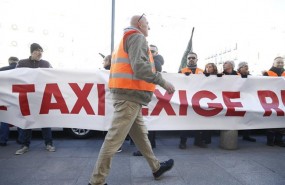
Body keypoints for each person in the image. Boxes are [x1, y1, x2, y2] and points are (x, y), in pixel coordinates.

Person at [88, 14, 175, 185]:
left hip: (129, 96)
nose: (149, 28)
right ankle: (97, 181)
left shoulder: (125, 39)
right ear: (139, 24)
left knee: (141, 136)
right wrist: (163, 82)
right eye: (148, 24)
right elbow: (140, 68)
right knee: (113, 140)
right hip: (129, 97)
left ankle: (156, 168)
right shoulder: (137, 37)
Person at [15, 43, 56, 155]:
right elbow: (15, 77)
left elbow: (54, 76)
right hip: (27, 98)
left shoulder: (46, 63)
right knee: (27, 122)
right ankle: (25, 145)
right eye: (37, 51)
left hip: (42, 97)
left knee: (45, 121)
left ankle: (49, 143)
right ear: (31, 52)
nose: (40, 53)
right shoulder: (22, 63)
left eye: (41, 51)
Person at [132, 44, 164, 156]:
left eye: (153, 51)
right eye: (149, 50)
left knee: (147, 121)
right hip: (145, 94)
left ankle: (146, 147)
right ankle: (147, 146)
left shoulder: (156, 62)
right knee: (145, 121)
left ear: (157, 53)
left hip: (150, 94)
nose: (150, 52)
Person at [178, 52, 206, 149]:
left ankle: (198, 141)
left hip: (199, 100)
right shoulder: (181, 71)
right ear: (187, 60)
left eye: (193, 58)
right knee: (185, 122)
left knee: (199, 122)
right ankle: (182, 142)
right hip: (186, 100)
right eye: (189, 58)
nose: (191, 59)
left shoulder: (202, 71)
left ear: (197, 59)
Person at [0, 57, 24, 146]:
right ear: (17, 62)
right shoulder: (21, 71)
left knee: (5, 120)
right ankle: (21, 139)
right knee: (20, 118)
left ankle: (3, 140)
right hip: (18, 97)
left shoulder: (2, 70)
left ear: (9, 61)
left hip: (5, 98)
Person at [263, 56, 285, 147]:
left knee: (282, 120)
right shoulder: (267, 73)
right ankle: (270, 140)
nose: (280, 64)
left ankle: (279, 140)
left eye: (281, 62)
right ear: (273, 63)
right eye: (278, 62)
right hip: (270, 100)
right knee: (272, 119)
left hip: (283, 100)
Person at [237, 61, 257, 142]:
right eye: (244, 66)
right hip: (237, 99)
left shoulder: (250, 77)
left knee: (248, 117)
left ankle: (246, 135)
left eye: (247, 66)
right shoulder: (235, 75)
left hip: (247, 99)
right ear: (240, 68)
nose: (246, 67)